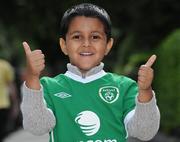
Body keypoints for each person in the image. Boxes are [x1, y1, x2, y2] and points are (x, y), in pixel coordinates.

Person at [21, 3, 160, 142]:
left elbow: (144, 132)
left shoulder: (125, 87)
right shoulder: (49, 87)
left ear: (108, 45)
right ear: (64, 45)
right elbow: (37, 127)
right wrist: (32, 77)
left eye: (95, 37)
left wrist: (146, 92)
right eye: (77, 37)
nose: (86, 43)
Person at [0, 59, 18, 142]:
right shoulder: (5, 65)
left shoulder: (5, 65)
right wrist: (15, 104)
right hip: (3, 104)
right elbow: (11, 86)